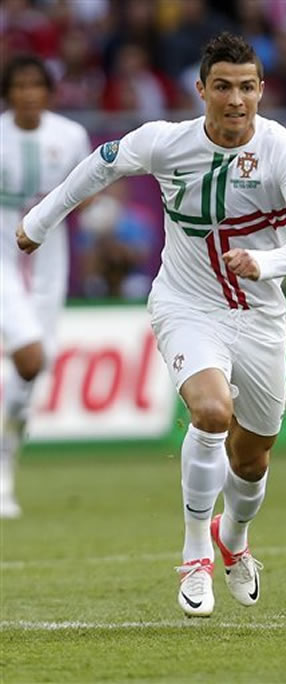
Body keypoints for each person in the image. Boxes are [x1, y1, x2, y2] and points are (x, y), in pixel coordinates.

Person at [16, 33, 286, 616]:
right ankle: (195, 557)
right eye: (223, 87)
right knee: (212, 413)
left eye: (247, 87)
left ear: (262, 90)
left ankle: (232, 539)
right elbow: (101, 165)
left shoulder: (284, 152)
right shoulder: (166, 143)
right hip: (186, 305)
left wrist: (266, 262)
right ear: (202, 90)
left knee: (254, 457)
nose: (236, 100)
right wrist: (39, 221)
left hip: (260, 315)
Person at [0, 55, 91, 518]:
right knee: (30, 354)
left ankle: (5, 460)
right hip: (2, 261)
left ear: (49, 92)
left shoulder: (70, 136)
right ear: (8, 92)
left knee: (33, 368)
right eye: (20, 85)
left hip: (50, 266)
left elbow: (88, 188)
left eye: (37, 84)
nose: (28, 93)